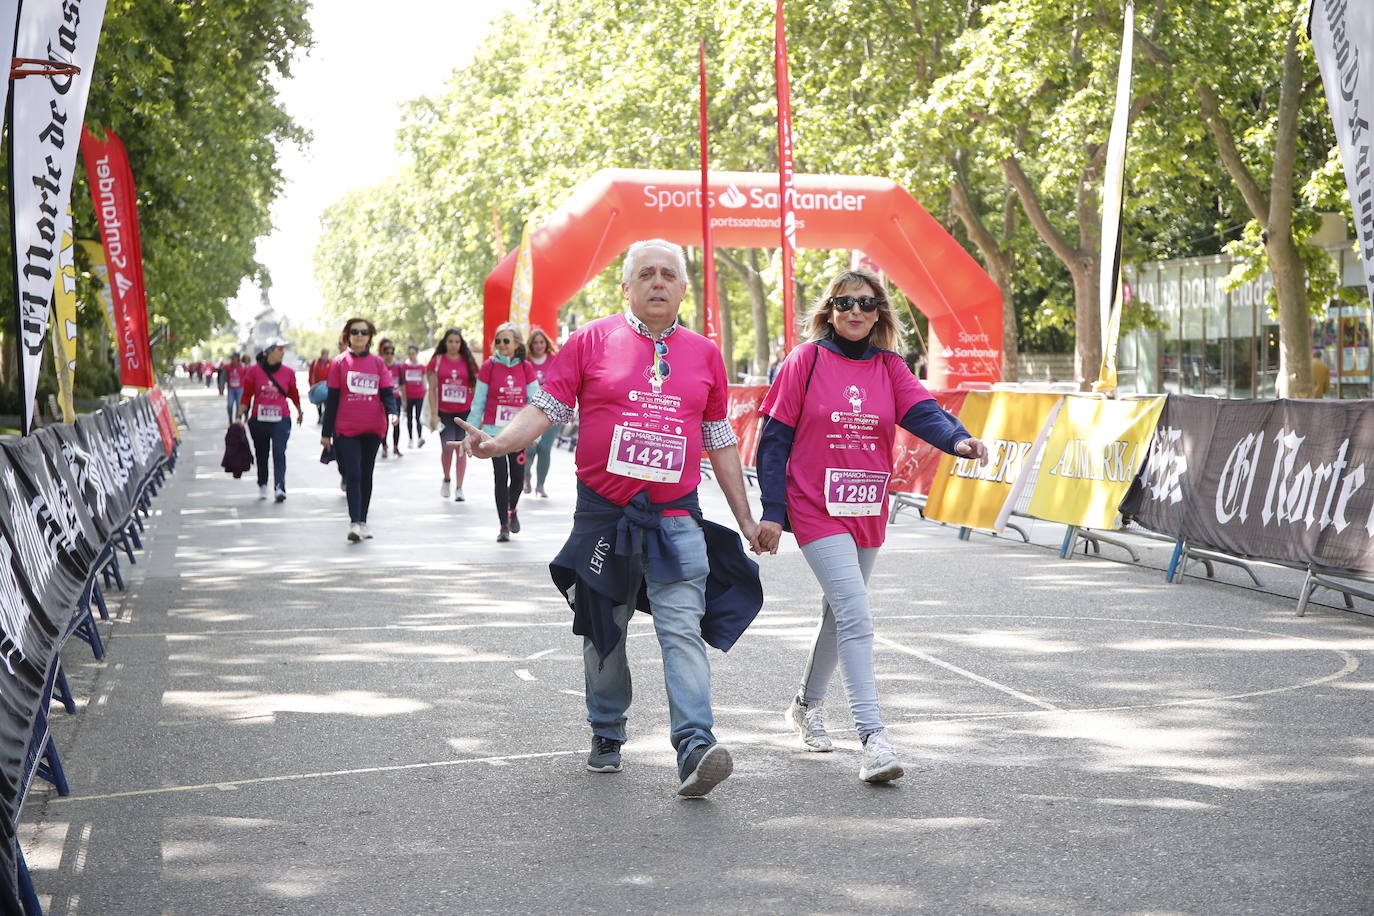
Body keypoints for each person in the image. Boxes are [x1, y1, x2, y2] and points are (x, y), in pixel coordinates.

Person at [460, 238, 762, 798]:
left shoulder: (705, 353)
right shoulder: (589, 340)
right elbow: (546, 408)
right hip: (603, 519)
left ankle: (695, 745)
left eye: (669, 274)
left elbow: (719, 440)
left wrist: (746, 520)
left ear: (683, 288)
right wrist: (498, 444)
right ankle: (606, 731)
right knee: (605, 634)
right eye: (645, 273)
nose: (657, 282)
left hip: (676, 520)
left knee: (682, 631)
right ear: (625, 287)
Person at [752, 269, 988, 783]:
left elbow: (926, 413)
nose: (854, 312)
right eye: (843, 303)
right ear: (829, 311)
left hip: (865, 504)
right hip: (813, 505)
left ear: (879, 311)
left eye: (865, 303)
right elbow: (772, 441)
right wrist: (771, 512)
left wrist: (959, 440)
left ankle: (804, 706)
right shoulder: (805, 360)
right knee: (857, 615)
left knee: (840, 616)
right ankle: (873, 737)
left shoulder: (890, 366)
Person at [320, 317, 399, 543]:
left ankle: (363, 521)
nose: (359, 335)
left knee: (366, 474)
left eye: (364, 332)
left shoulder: (377, 364)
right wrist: (326, 433)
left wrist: (392, 412)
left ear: (369, 337)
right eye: (355, 332)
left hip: (373, 428)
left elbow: (386, 392)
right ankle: (354, 522)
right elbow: (332, 400)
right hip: (346, 429)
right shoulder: (338, 363)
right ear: (348, 335)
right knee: (353, 473)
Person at [467, 323, 538, 539]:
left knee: (517, 478)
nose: (501, 345)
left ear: (516, 343)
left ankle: (512, 509)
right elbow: (478, 401)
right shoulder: (489, 366)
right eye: (497, 341)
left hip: (518, 433)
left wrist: (535, 433)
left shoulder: (526, 368)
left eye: (505, 341)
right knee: (500, 477)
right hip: (493, 433)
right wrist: (470, 432)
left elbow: (535, 402)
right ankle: (503, 526)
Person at [238, 338, 303, 502]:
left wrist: (299, 410)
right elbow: (246, 395)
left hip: (281, 419)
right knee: (262, 453)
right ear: (268, 352)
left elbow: (293, 392)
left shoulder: (288, 372)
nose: (282, 353)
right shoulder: (253, 371)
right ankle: (262, 484)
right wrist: (239, 416)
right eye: (279, 349)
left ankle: (280, 487)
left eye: (283, 349)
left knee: (279, 452)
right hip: (259, 420)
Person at [426, 328, 479, 502]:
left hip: (465, 412)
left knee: (462, 450)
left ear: (461, 343)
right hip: (445, 413)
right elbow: (432, 389)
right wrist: (434, 414)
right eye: (450, 341)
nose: (454, 345)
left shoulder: (468, 361)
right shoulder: (437, 361)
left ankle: (459, 488)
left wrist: (478, 412)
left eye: (457, 342)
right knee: (447, 448)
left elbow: (477, 386)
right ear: (445, 343)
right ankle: (447, 478)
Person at [523, 327, 560, 498]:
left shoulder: (555, 360)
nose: (538, 345)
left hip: (552, 412)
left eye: (541, 342)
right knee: (530, 450)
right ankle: (526, 476)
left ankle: (540, 485)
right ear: (531, 345)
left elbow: (563, 383)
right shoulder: (525, 363)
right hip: (530, 413)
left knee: (545, 449)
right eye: (535, 343)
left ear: (546, 343)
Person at [378, 339, 404, 459]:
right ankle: (384, 446)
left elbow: (403, 384)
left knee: (396, 424)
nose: (389, 355)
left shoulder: (398, 367)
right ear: (383, 354)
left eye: (391, 352)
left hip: (396, 399)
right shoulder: (379, 366)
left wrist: (405, 400)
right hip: (382, 400)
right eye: (386, 352)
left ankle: (395, 447)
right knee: (384, 425)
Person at [400, 345, 428, 449]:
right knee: (409, 418)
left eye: (413, 353)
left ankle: (420, 438)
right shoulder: (404, 366)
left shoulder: (421, 367)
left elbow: (424, 381)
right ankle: (411, 439)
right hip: (408, 396)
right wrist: (403, 398)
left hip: (419, 395)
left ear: (417, 353)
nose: (411, 355)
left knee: (418, 418)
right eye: (409, 353)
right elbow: (402, 382)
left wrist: (426, 395)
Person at [308, 348, 332, 424]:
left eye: (327, 354)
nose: (326, 355)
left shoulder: (330, 362)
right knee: (318, 403)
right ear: (322, 354)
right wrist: (311, 384)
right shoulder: (315, 363)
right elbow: (311, 374)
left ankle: (324, 417)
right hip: (316, 386)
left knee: (326, 402)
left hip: (326, 386)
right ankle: (320, 415)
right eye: (325, 354)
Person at [223, 353, 246, 423]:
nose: (232, 360)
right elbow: (223, 376)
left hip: (240, 389)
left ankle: (237, 419)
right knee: (230, 405)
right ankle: (230, 417)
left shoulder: (242, 367)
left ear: (237, 359)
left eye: (233, 358)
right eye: (231, 358)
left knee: (239, 404)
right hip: (231, 389)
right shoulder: (227, 367)